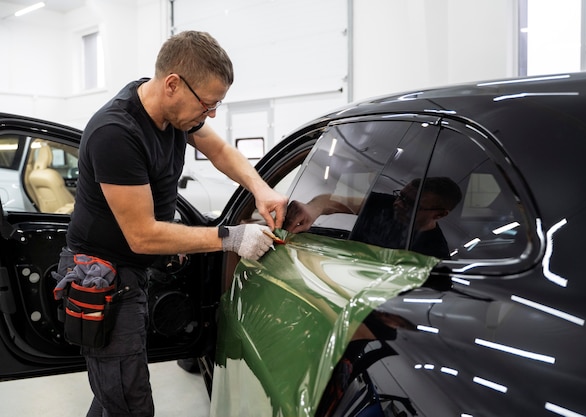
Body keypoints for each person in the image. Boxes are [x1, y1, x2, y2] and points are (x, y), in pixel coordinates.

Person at [54, 31, 288, 417]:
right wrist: (231, 237)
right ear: (173, 84)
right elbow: (143, 234)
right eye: (208, 104)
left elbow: (219, 150)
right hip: (102, 278)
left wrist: (262, 191)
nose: (210, 115)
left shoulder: (173, 112)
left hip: (134, 271)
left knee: (114, 393)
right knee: (130, 403)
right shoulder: (116, 133)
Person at [284, 177, 461, 259]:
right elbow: (333, 201)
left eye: (410, 203)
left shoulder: (434, 254)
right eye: (400, 195)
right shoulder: (387, 204)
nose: (397, 204)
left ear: (439, 214)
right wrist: (314, 208)